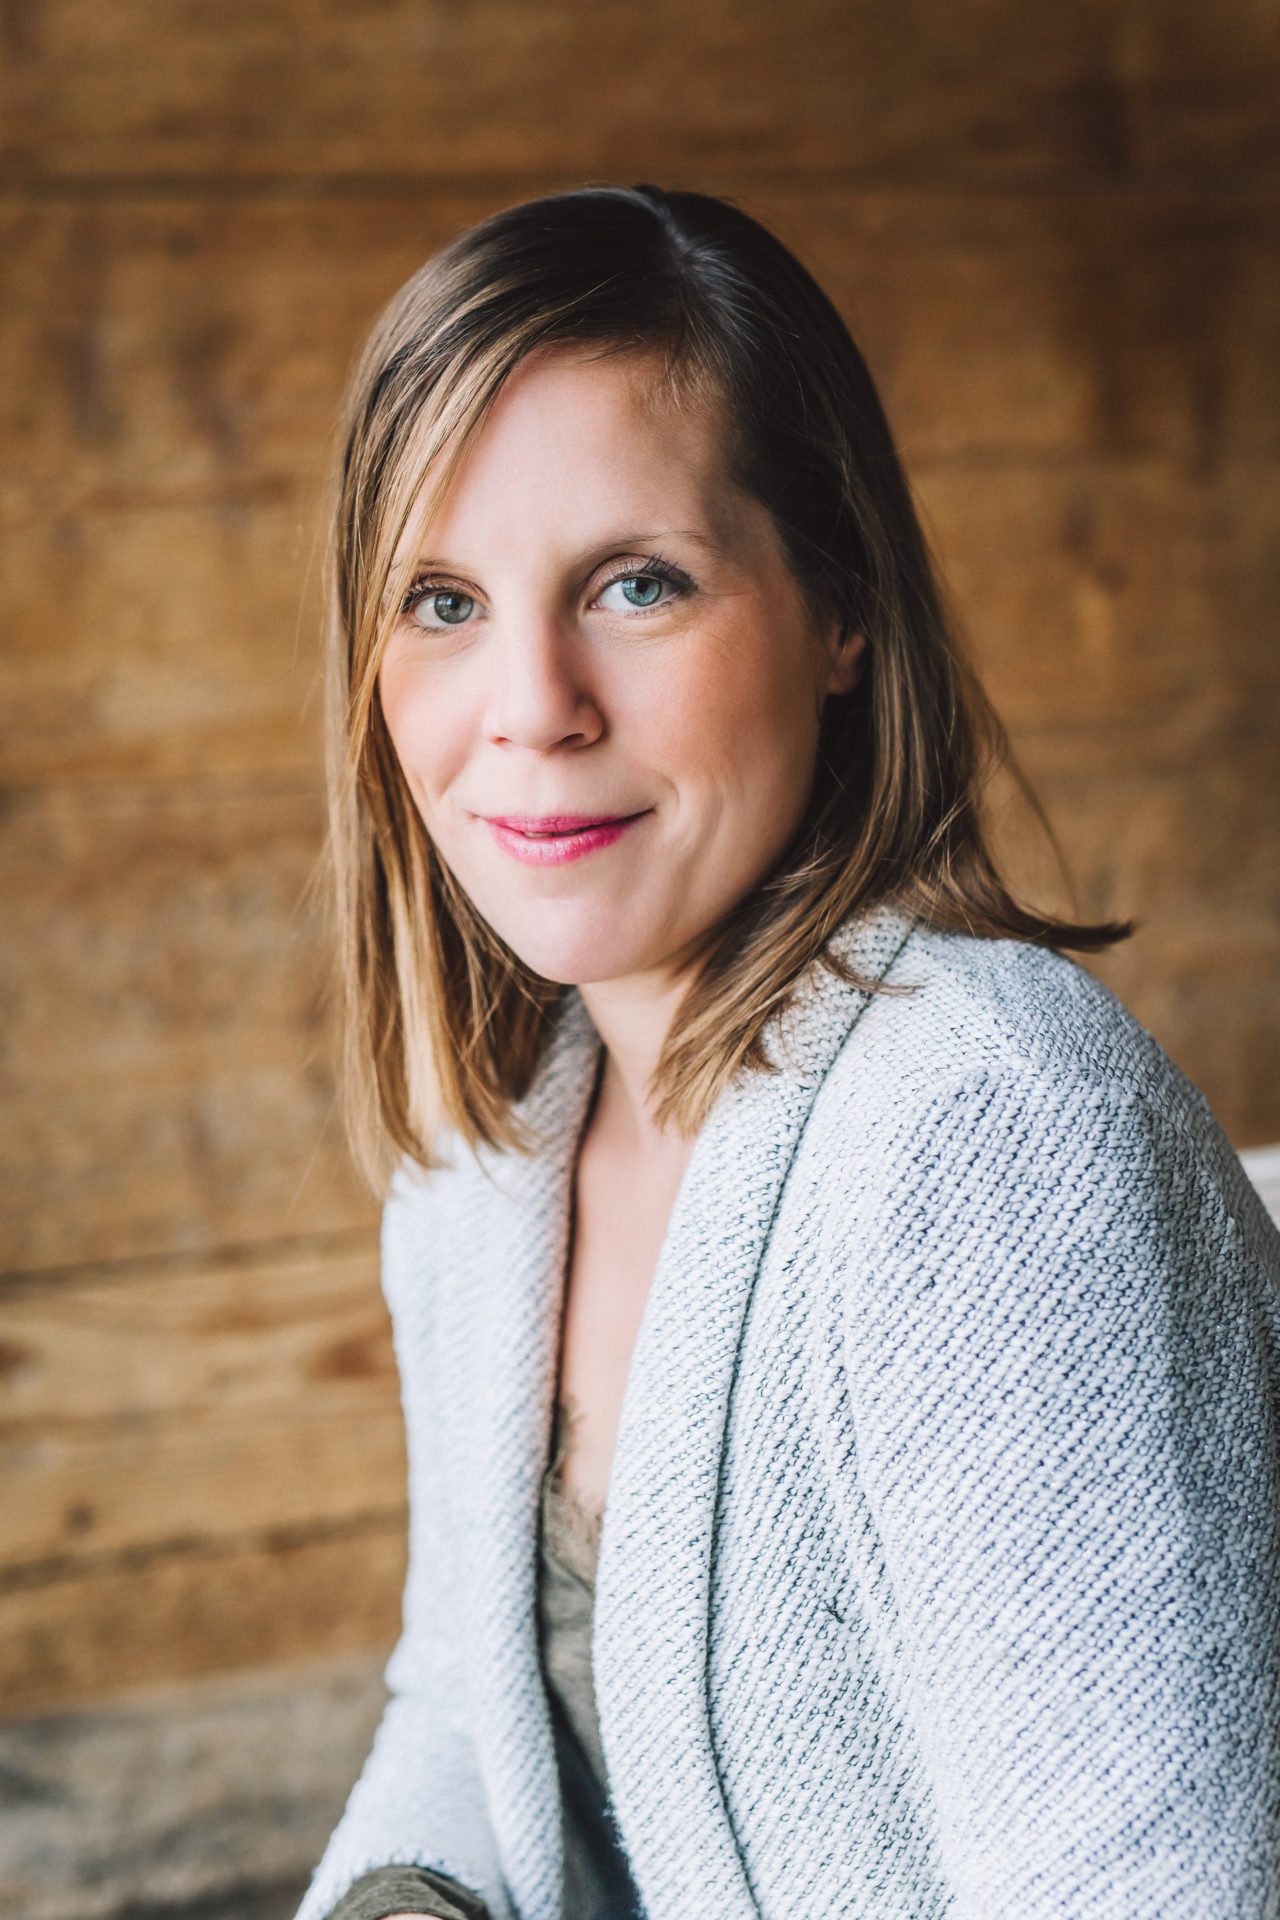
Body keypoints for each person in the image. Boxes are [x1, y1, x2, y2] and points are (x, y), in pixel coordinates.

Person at [292, 183, 1280, 1920]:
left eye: (637, 584)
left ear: (840, 609)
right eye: (440, 601)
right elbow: (463, 1696)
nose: (531, 704)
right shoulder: (487, 1157)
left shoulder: (989, 1144)